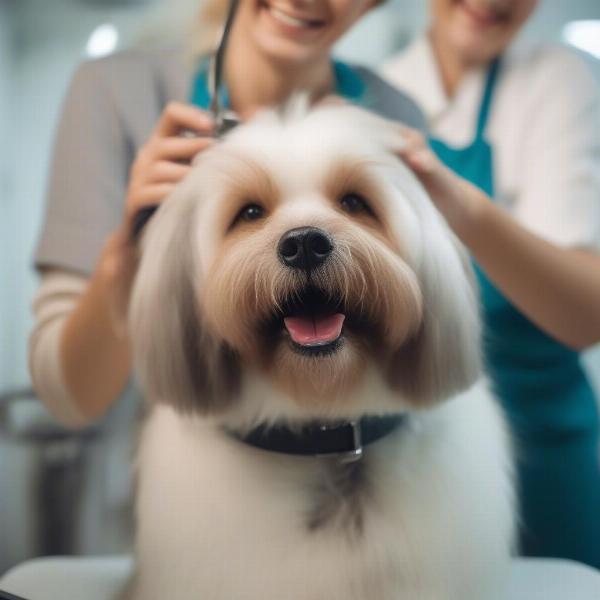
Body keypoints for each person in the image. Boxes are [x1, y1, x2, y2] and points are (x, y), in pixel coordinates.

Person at [29, 1, 423, 424]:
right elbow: (69, 400)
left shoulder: (398, 118)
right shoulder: (117, 92)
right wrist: (130, 252)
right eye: (251, 211)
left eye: (350, 202)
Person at [382, 0, 600, 568]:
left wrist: (463, 207)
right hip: (419, 456)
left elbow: (586, 315)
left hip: (546, 452)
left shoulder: (557, 81)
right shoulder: (378, 95)